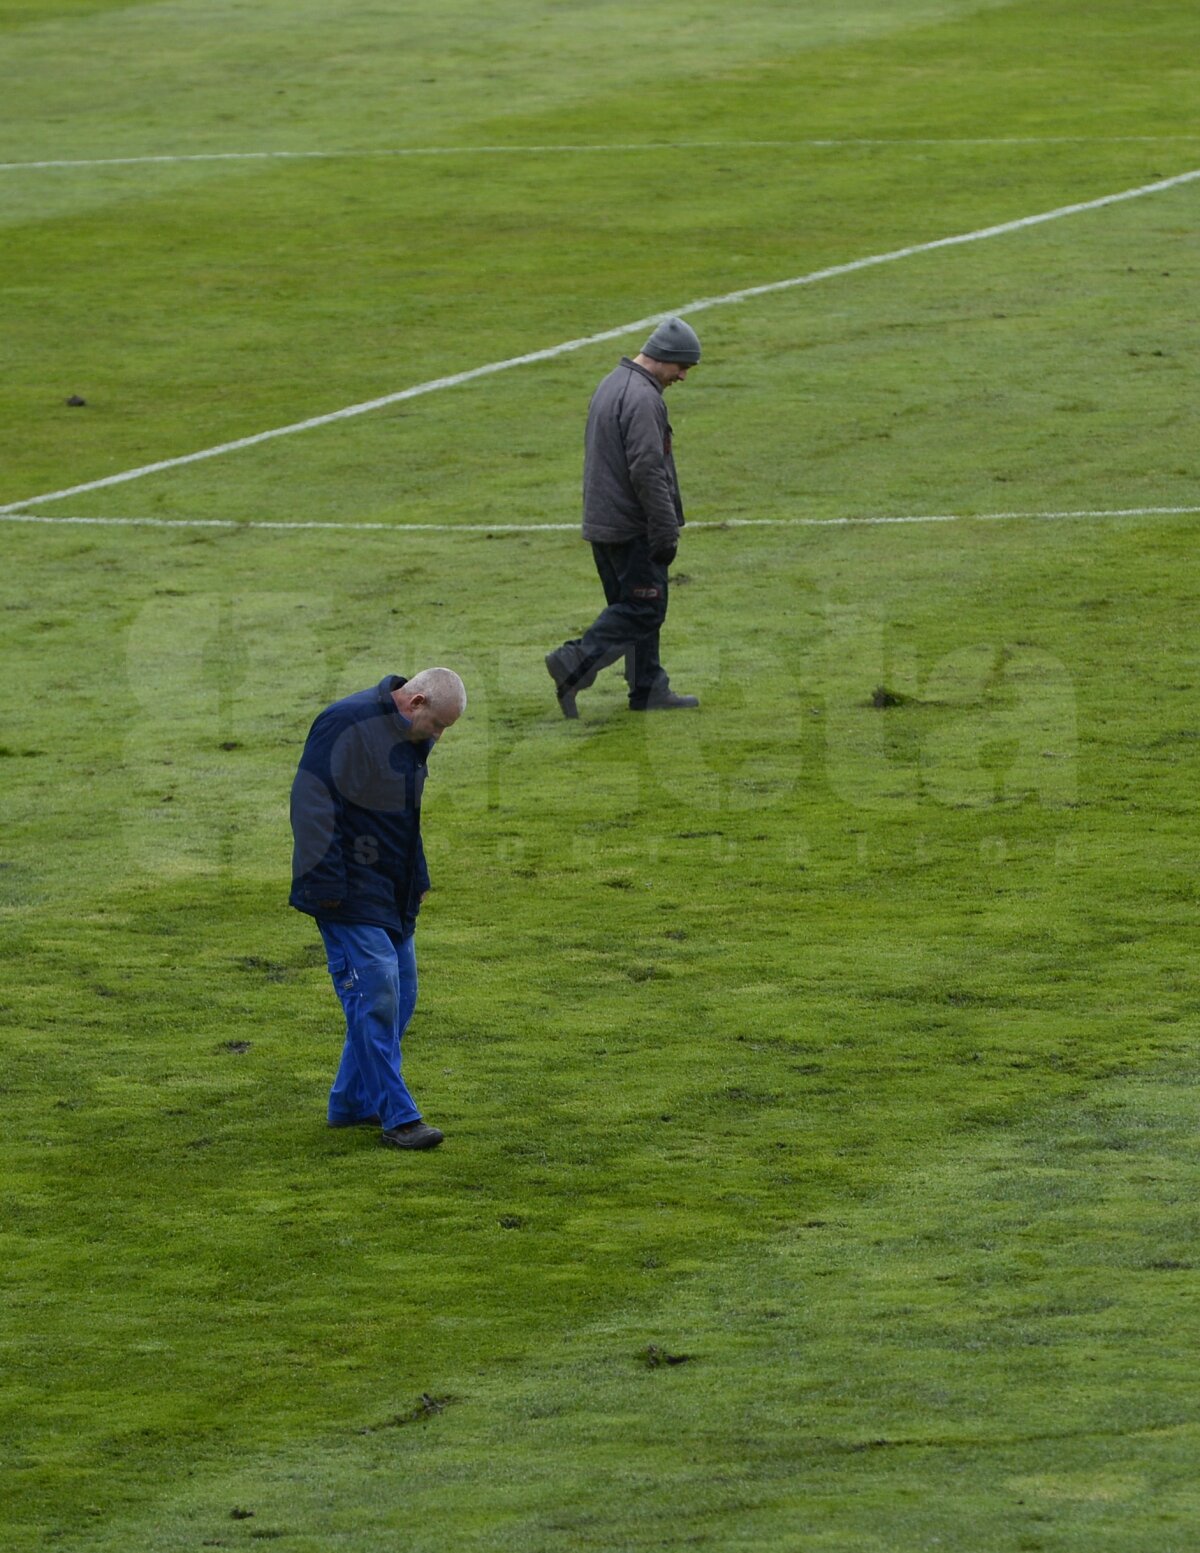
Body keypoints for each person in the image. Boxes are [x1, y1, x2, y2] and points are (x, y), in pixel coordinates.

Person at [289, 667, 466, 1150]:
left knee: (401, 995)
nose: (440, 736)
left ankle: (350, 1103)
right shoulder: (343, 724)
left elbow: (405, 819)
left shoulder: (411, 740)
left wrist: (419, 877)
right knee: (377, 993)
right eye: (440, 725)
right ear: (417, 702)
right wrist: (326, 885)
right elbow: (310, 802)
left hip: (393, 887)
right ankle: (399, 1117)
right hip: (345, 887)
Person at [545, 316, 702, 718]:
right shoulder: (643, 397)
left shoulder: (612, 383)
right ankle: (574, 661)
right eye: (682, 367)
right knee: (644, 608)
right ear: (663, 357)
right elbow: (648, 470)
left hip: (603, 521)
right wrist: (665, 530)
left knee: (630, 605)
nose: (683, 376)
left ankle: (647, 687)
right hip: (632, 527)